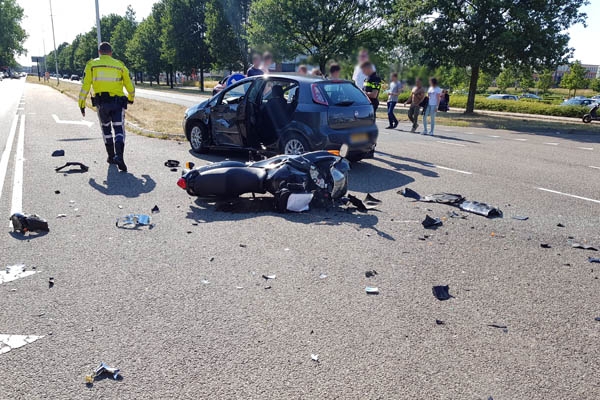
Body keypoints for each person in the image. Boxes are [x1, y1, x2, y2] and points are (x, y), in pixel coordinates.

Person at [78, 42, 134, 172]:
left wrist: (81, 104)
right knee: (119, 129)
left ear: (99, 52)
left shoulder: (91, 65)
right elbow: (130, 86)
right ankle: (119, 156)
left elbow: (85, 86)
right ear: (111, 53)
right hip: (117, 103)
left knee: (106, 130)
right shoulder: (120, 66)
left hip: (101, 104)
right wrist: (130, 99)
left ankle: (110, 156)